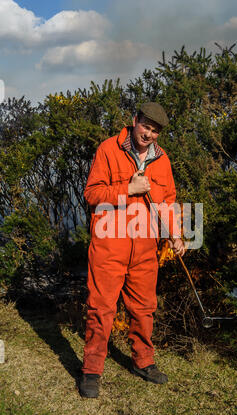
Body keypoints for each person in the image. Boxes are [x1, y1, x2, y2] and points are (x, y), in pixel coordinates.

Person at [79, 102, 185, 398]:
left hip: (145, 247)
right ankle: (91, 370)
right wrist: (128, 190)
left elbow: (169, 202)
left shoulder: (162, 160)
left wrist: (176, 234)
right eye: (146, 127)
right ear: (135, 120)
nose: (149, 134)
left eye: (155, 131)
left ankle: (143, 362)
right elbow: (92, 194)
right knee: (101, 309)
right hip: (109, 244)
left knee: (144, 308)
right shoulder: (108, 149)